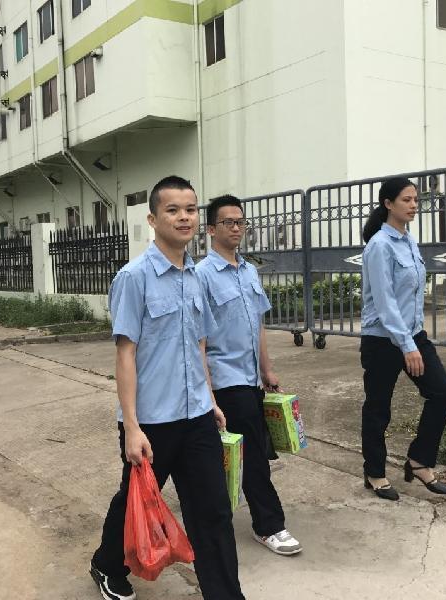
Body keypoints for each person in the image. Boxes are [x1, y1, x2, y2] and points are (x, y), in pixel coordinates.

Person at [90, 176, 245, 600]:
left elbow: (199, 345)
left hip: (196, 416)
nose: (184, 217)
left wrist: (210, 400)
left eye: (190, 209)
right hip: (152, 422)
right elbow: (125, 354)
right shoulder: (133, 277)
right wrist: (132, 427)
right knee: (135, 502)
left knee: (213, 512)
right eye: (173, 210)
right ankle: (107, 564)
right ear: (153, 219)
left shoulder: (196, 276)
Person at [197, 194, 302, 556]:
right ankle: (269, 525)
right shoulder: (202, 275)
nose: (236, 228)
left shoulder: (249, 271)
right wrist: (208, 393)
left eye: (241, 222)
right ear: (211, 229)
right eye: (228, 222)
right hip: (225, 377)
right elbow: (199, 340)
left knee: (236, 451)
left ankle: (209, 512)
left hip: (251, 378)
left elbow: (257, 325)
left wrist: (267, 370)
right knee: (254, 453)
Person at [359, 177, 446, 501]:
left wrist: (413, 339)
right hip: (382, 340)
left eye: (416, 199)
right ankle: (374, 473)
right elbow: (385, 302)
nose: (414, 205)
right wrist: (407, 345)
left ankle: (419, 460)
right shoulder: (379, 246)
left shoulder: (409, 241)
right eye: (407, 200)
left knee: (442, 393)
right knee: (378, 409)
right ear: (388, 204)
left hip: (412, 334)